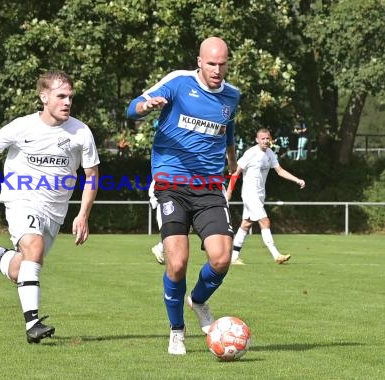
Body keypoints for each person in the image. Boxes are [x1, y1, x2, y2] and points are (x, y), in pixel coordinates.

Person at [0, 70, 100, 344]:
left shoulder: (81, 132)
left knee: (20, 270)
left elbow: (92, 176)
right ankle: (33, 324)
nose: (67, 102)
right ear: (44, 97)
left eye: (70, 97)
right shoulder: (22, 126)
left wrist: (83, 214)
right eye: (61, 96)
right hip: (20, 199)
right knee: (33, 248)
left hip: (55, 211)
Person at [126, 36, 239, 355]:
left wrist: (231, 159)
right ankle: (177, 331)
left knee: (221, 258)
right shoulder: (178, 82)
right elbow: (131, 109)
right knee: (177, 263)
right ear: (199, 61)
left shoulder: (232, 96)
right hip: (170, 182)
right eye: (211, 63)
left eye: (223, 63)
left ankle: (198, 300)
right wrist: (145, 107)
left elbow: (228, 127)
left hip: (209, 187)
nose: (217, 70)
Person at [226, 128, 305, 265]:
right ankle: (276, 255)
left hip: (260, 195)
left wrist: (297, 179)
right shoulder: (251, 153)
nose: (266, 141)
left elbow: (279, 171)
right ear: (257, 140)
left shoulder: (270, 153)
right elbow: (235, 172)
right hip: (250, 194)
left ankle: (233, 257)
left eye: (267, 138)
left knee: (246, 224)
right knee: (265, 221)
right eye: (263, 139)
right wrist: (229, 192)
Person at [149, 180, 165, 265]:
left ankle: (160, 248)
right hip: (164, 206)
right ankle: (159, 248)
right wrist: (153, 201)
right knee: (170, 233)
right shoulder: (161, 175)